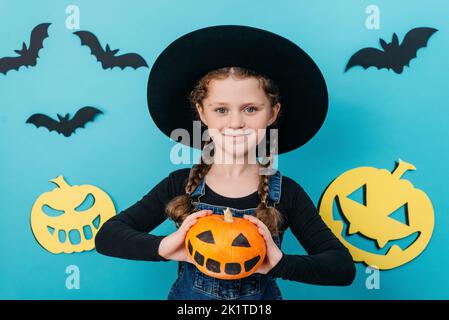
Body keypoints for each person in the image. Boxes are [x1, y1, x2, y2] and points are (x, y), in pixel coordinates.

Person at [95, 25, 356, 300]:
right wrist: (167, 246)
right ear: (202, 113)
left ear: (272, 113)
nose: (235, 123)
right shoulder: (179, 185)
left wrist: (280, 263)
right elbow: (108, 237)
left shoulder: (286, 193)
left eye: (250, 109)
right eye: (221, 110)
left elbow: (341, 268)